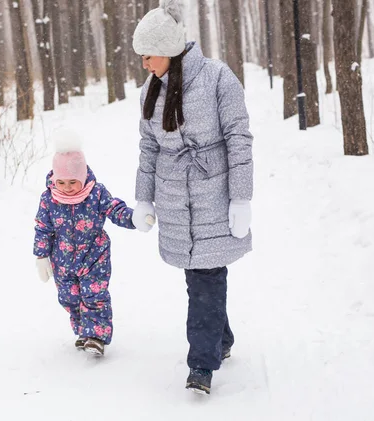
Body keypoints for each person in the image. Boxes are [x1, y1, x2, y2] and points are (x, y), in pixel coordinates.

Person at [131, 0, 254, 394]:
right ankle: (222, 339)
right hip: (172, 198)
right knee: (198, 276)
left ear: (167, 50)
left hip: (213, 194)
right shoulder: (149, 91)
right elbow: (148, 148)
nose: (145, 65)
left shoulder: (218, 78)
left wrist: (241, 198)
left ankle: (201, 365)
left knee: (206, 276)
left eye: (148, 56)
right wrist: (144, 198)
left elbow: (239, 137)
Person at [33, 129, 154, 356]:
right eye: (61, 181)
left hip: (94, 256)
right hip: (62, 260)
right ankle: (83, 330)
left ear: (82, 177)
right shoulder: (48, 198)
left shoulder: (96, 193)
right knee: (69, 297)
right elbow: (42, 228)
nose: (67, 187)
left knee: (94, 295)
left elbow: (114, 209)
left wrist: (134, 218)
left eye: (72, 181)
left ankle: (95, 335)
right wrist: (41, 256)